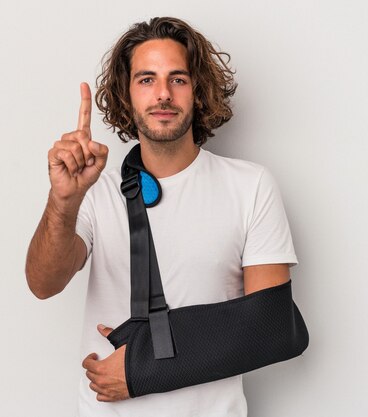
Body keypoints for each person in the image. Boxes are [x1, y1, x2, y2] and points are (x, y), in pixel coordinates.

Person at [25, 16, 298, 417]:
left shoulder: (250, 185)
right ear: (126, 94)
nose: (163, 94)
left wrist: (143, 369)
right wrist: (64, 200)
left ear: (198, 90)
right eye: (146, 79)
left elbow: (271, 327)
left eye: (179, 79)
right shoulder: (94, 190)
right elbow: (43, 284)